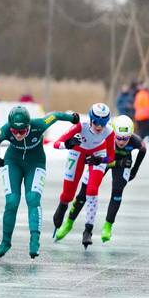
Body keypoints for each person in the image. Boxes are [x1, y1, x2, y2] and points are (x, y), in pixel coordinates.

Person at [0, 106, 80, 259]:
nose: (19, 135)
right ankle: (5, 241)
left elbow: (55, 115)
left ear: (29, 125)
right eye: (15, 132)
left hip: (35, 163)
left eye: (23, 131)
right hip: (12, 162)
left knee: (33, 199)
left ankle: (35, 240)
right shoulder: (5, 129)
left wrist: (72, 118)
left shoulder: (39, 124)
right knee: (11, 201)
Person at [55, 115, 145, 244]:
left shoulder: (136, 142)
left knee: (118, 190)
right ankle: (69, 222)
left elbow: (143, 149)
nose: (121, 142)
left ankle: (108, 226)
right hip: (105, 160)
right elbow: (93, 149)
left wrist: (134, 171)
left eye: (126, 138)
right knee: (84, 192)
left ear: (131, 135)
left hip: (122, 163)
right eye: (118, 137)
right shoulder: (106, 134)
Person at [51, 103, 115, 248]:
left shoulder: (109, 132)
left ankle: (88, 230)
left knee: (92, 191)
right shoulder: (81, 126)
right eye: (97, 123)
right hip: (78, 152)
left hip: (98, 153)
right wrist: (68, 144)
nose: (99, 127)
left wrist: (100, 160)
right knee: (68, 194)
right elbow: (56, 143)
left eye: (103, 124)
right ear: (91, 120)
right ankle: (62, 208)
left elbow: (111, 158)